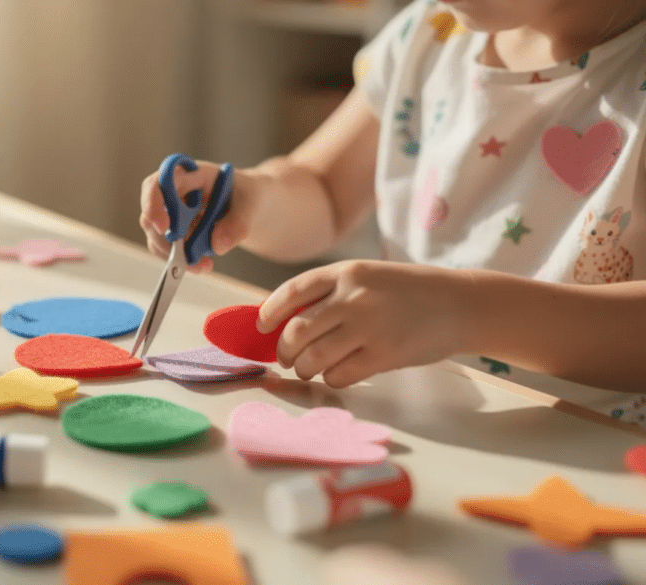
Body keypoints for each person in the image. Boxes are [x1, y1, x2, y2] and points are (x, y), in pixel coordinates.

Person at [140, 0, 646, 425]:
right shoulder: (431, 31)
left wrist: (460, 312)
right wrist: (251, 199)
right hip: (425, 421)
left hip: (599, 453)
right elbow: (325, 191)